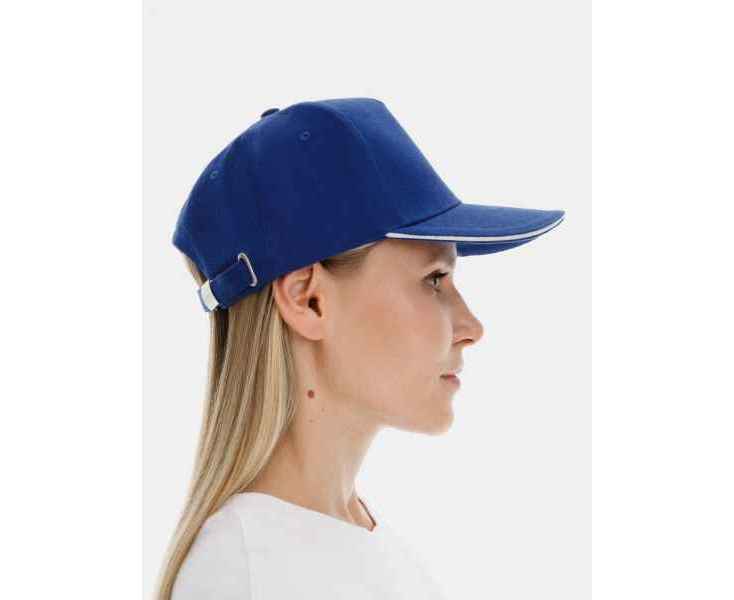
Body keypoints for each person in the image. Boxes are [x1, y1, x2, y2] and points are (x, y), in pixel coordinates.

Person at [155, 97, 565, 600]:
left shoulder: (360, 548)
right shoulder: (247, 570)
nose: (472, 327)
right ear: (309, 300)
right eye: (434, 279)